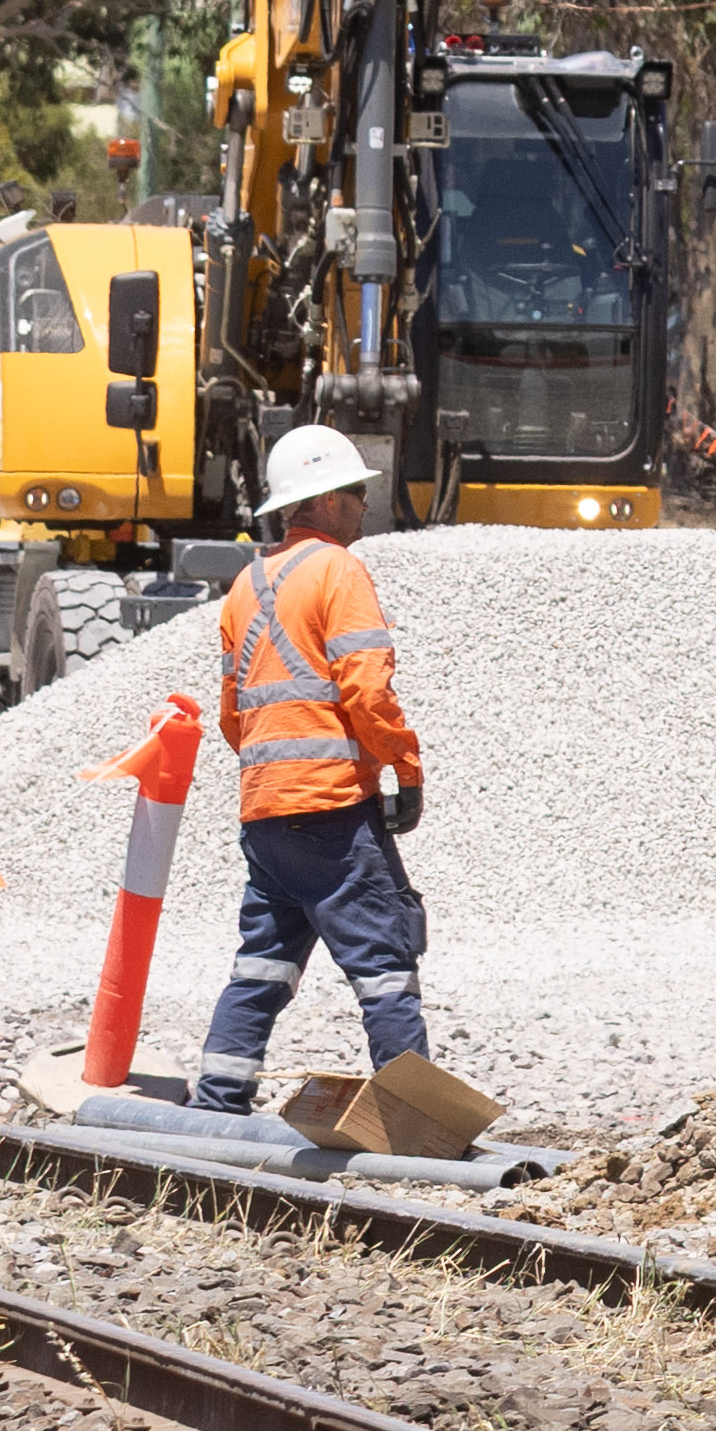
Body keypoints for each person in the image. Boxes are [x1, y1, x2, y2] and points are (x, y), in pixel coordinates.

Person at [195, 422, 433, 1116]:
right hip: (331, 810)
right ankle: (413, 1116)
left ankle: (216, 1107)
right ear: (326, 500)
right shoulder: (340, 570)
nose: (364, 504)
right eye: (357, 492)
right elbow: (366, 689)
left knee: (262, 965)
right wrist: (405, 768)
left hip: (266, 813)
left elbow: (233, 715)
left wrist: (278, 777)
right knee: (385, 965)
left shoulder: (245, 585)